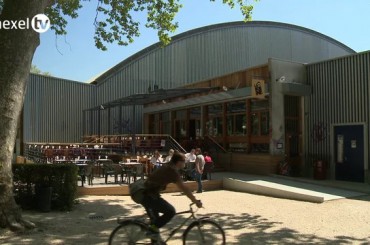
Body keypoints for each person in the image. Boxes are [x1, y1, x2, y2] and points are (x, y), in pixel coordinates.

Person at [142, 151, 202, 244]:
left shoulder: (169, 166)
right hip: (148, 195)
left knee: (155, 224)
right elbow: (184, 188)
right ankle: (152, 231)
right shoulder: (172, 171)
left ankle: (155, 237)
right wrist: (195, 201)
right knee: (170, 211)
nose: (185, 163)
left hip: (150, 193)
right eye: (184, 161)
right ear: (178, 162)